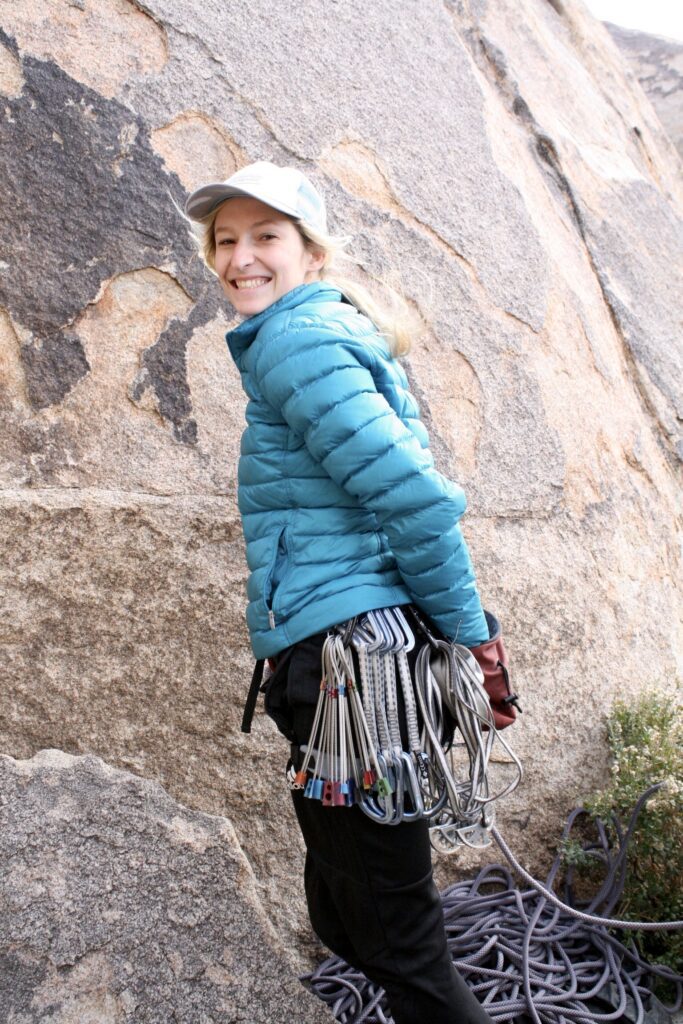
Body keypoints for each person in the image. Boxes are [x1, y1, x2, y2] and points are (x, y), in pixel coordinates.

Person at [185, 161, 506, 1024]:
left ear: (311, 253)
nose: (239, 258)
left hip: (350, 672)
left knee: (395, 938)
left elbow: (412, 496)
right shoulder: (315, 333)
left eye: (265, 237)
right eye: (225, 240)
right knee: (342, 907)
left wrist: (474, 636)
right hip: (339, 661)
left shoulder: (298, 342)